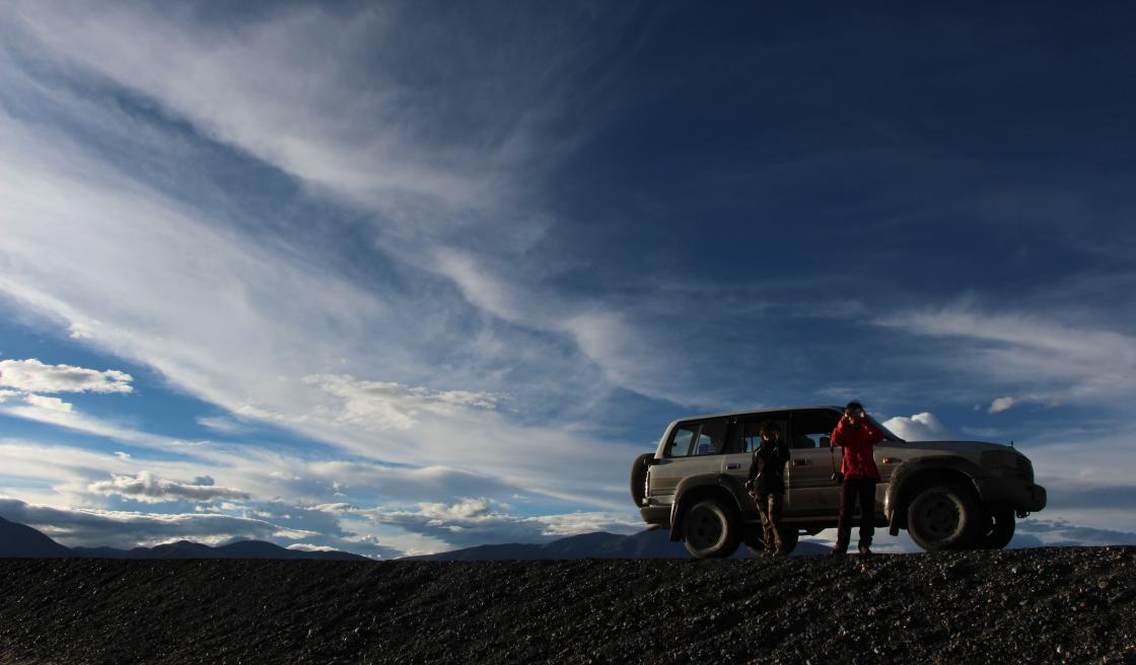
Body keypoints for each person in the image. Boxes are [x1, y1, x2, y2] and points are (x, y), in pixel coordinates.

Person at [830, 400, 885, 556]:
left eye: (857, 413)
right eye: (852, 413)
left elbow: (878, 436)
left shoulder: (866, 430)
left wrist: (866, 420)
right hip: (849, 474)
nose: (855, 416)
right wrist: (843, 420)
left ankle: (864, 544)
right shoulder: (845, 430)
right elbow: (836, 439)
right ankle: (841, 545)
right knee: (845, 512)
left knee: (868, 511)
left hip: (867, 474)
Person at [744, 421, 791, 556]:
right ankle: (768, 548)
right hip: (760, 488)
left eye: (771, 433)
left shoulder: (779, 448)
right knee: (765, 520)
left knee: (774, 518)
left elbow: (785, 457)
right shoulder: (757, 452)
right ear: (762, 435)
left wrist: (779, 441)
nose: (768, 436)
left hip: (775, 488)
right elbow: (753, 470)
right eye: (766, 434)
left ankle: (780, 547)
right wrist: (749, 482)